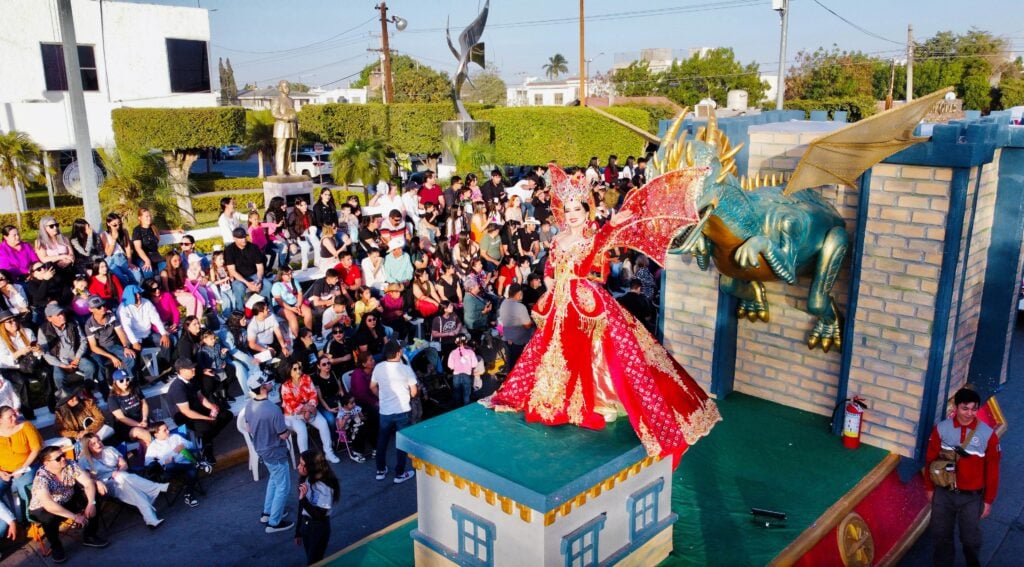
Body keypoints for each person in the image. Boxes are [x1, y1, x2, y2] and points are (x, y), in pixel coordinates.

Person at [490, 165, 720, 465]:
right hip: (561, 303)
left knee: (611, 353)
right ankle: (558, 401)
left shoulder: (591, 238)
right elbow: (549, 269)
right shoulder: (558, 240)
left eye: (578, 208)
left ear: (587, 210)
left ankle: (597, 401)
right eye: (568, 208)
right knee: (553, 354)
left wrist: (613, 225)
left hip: (585, 302)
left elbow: (591, 258)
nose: (572, 213)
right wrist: (551, 283)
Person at [924, 388, 1001, 567]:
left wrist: (988, 500)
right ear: (955, 407)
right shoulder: (941, 429)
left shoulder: (988, 435)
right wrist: (929, 488)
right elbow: (930, 460)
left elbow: (993, 469)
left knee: (970, 539)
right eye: (964, 408)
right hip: (944, 494)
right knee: (941, 537)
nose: (969, 414)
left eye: (974, 409)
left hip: (972, 497)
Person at [29, 445, 109, 562]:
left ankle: (90, 535)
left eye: (63, 455)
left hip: (68, 498)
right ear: (46, 463)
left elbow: (87, 482)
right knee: (47, 517)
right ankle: (56, 547)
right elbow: (48, 504)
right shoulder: (41, 478)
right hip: (45, 507)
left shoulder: (70, 464)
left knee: (93, 494)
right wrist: (75, 517)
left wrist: (91, 503)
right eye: (58, 458)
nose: (63, 459)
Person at [78, 433, 168, 529]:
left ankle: (151, 520)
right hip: (106, 485)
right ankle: (156, 487)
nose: (98, 444)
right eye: (93, 444)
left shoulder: (110, 450)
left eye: (98, 441)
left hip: (122, 478)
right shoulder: (84, 461)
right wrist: (98, 482)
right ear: (87, 447)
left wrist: (118, 472)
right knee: (123, 479)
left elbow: (124, 465)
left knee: (128, 486)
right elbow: (87, 480)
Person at [244, 372, 294, 534]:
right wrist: (290, 430)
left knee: (274, 481)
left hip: (263, 451)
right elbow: (283, 435)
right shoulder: (273, 410)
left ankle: (267, 513)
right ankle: (273, 522)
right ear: (263, 387)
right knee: (283, 488)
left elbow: (249, 428)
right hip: (276, 452)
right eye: (267, 382)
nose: (271, 382)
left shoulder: (249, 406)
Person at [166, 358, 233, 463]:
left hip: (196, 409)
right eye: (190, 369)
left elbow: (200, 396)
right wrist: (207, 418)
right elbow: (186, 412)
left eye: (193, 367)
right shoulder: (177, 388)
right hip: (184, 417)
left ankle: (205, 439)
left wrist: (211, 406)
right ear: (182, 371)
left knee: (227, 415)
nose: (193, 370)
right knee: (205, 427)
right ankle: (207, 451)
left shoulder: (192, 380)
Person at [370, 341, 417, 483]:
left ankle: (380, 470)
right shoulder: (405, 369)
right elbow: (414, 392)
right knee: (401, 442)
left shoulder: (378, 367)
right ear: (398, 353)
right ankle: (400, 473)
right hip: (402, 410)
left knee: (382, 440)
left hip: (385, 411)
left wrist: (381, 397)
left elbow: (372, 386)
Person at [281, 361, 341, 463]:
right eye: (294, 369)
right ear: (289, 371)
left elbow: (313, 394)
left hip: (310, 409)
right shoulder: (285, 385)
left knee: (323, 424)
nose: (298, 371)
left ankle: (329, 453)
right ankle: (305, 460)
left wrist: (310, 408)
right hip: (293, 414)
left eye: (299, 368)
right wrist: (306, 410)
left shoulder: (307, 378)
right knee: (302, 430)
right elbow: (291, 403)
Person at [39, 304, 100, 396]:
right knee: (58, 378)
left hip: (75, 356)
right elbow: (45, 353)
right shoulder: (43, 330)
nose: (62, 316)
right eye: (58, 315)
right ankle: (66, 398)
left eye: (62, 313)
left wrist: (77, 358)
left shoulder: (73, 323)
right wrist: (63, 365)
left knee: (90, 367)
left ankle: (88, 391)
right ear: (49, 318)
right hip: (59, 360)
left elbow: (83, 340)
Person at [144, 421, 208, 508]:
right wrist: (163, 461)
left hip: (184, 462)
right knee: (172, 466)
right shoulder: (153, 446)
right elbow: (148, 462)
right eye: (164, 430)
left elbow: (191, 446)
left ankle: (189, 494)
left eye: (167, 428)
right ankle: (197, 464)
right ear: (156, 434)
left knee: (191, 471)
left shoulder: (175, 437)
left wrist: (183, 445)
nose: (168, 431)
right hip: (170, 468)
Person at [295, 449, 339, 564]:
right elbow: (302, 508)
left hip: (318, 528)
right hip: (306, 525)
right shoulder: (306, 478)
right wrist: (298, 531)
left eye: (302, 465)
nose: (298, 467)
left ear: (312, 467)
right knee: (310, 557)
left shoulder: (325, 487)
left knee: (314, 561)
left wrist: (303, 499)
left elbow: (319, 515)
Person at [118, 284, 173, 374]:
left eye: (139, 293)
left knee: (166, 342)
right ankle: (139, 377)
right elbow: (126, 327)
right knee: (134, 354)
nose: (139, 296)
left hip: (148, 334)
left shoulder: (146, 302)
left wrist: (163, 333)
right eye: (135, 295)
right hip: (134, 338)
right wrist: (134, 342)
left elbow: (156, 319)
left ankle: (165, 368)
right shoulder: (123, 308)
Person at [0, 405, 41, 520]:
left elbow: (36, 449)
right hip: (4, 471)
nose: (15, 418)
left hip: (27, 466)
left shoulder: (26, 426)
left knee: (25, 490)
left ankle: (29, 519)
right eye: (10, 417)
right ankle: (10, 520)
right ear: (0, 420)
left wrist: (22, 469)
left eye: (14, 414)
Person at [0, 310, 41, 419]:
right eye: (9, 321)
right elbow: (3, 361)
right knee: (21, 383)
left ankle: (53, 405)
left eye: (14, 320)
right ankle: (28, 414)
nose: (13, 323)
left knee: (46, 374)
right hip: (11, 368)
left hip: (30, 365)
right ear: (3, 325)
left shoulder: (27, 332)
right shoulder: (1, 339)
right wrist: (19, 353)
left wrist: (37, 351)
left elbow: (37, 354)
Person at [225, 227, 270, 313]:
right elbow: (232, 271)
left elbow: (260, 267)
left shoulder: (254, 247)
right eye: (241, 238)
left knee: (267, 285)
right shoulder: (229, 250)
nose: (244, 239)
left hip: (254, 275)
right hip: (239, 277)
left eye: (244, 237)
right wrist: (247, 283)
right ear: (234, 238)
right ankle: (240, 312)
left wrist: (259, 280)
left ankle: (266, 309)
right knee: (239, 287)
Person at [107, 370, 153, 446]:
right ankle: (161, 450)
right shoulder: (112, 398)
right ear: (115, 382)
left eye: (127, 379)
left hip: (142, 421)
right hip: (126, 427)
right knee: (141, 433)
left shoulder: (135, 389)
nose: (125, 382)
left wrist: (144, 419)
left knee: (151, 437)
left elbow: (144, 404)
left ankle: (152, 456)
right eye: (121, 380)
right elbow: (121, 417)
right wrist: (138, 424)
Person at [497, 284, 533, 369]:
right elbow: (527, 326)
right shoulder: (520, 307)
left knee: (510, 362)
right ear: (518, 294)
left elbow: (499, 321)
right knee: (517, 365)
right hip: (518, 341)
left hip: (506, 338)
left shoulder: (503, 303)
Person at [272, 266, 313, 338]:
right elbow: (279, 300)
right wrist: (292, 309)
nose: (290, 276)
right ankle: (296, 338)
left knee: (307, 311)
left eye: (290, 273)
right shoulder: (277, 285)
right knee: (292, 317)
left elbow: (300, 293)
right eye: (287, 274)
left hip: (295, 303)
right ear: (281, 275)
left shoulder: (294, 281)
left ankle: (309, 332)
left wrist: (299, 305)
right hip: (281, 305)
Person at [131, 208, 165, 281]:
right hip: (142, 257)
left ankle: (164, 288)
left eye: (150, 216)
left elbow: (160, 232)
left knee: (165, 268)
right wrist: (147, 260)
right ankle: (151, 289)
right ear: (140, 218)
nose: (149, 218)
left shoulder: (153, 227)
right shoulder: (137, 230)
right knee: (148, 272)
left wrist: (175, 231)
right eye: (146, 216)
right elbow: (138, 248)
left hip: (155, 255)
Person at [446, 335, 478, 407]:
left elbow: (450, 366)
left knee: (457, 393)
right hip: (467, 375)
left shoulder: (452, 353)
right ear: (466, 341)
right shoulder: (470, 352)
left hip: (456, 376)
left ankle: (457, 408)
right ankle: (466, 408)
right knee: (467, 394)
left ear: (455, 342)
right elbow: (474, 364)